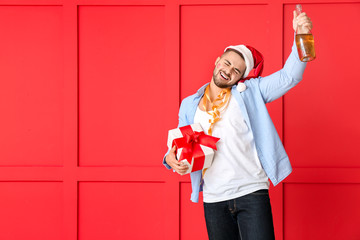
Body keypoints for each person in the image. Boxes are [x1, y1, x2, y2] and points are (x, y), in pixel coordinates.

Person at [163, 10, 313, 240]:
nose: (228, 70)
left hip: (251, 191)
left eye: (237, 70)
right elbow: (181, 148)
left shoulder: (250, 92)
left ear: (241, 77)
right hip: (213, 198)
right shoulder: (189, 105)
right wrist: (171, 160)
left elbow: (289, 77)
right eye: (227, 63)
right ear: (217, 61)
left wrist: (302, 37)